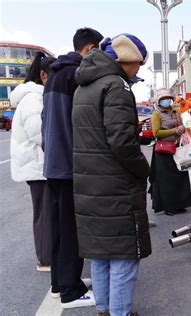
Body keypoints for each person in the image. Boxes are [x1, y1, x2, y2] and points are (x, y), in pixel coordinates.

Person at [72, 33, 151, 316]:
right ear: (125, 60)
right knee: (124, 256)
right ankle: (120, 312)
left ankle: (105, 309)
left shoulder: (85, 85)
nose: (138, 70)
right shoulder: (116, 86)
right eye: (137, 64)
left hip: (89, 182)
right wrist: (144, 169)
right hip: (115, 184)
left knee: (101, 254)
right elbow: (122, 142)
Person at [41, 27, 102, 308]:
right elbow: (79, 123)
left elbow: (47, 121)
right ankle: (70, 291)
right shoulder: (76, 74)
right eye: (98, 49)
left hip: (53, 162)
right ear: (89, 49)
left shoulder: (55, 74)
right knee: (72, 229)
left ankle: (60, 283)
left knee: (58, 226)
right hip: (69, 163)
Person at [10, 52, 56, 272]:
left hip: (38, 165)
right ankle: (46, 259)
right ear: (43, 75)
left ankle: (47, 256)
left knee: (45, 212)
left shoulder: (35, 96)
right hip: (38, 166)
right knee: (45, 214)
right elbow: (41, 134)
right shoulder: (34, 98)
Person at [149, 88, 191, 216]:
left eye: (167, 98)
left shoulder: (176, 111)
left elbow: (182, 126)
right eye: (162, 99)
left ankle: (180, 204)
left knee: (180, 177)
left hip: (177, 148)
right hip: (163, 150)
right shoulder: (156, 114)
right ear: (159, 101)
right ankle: (168, 206)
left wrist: (182, 128)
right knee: (166, 180)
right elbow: (156, 133)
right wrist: (174, 131)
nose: (166, 101)